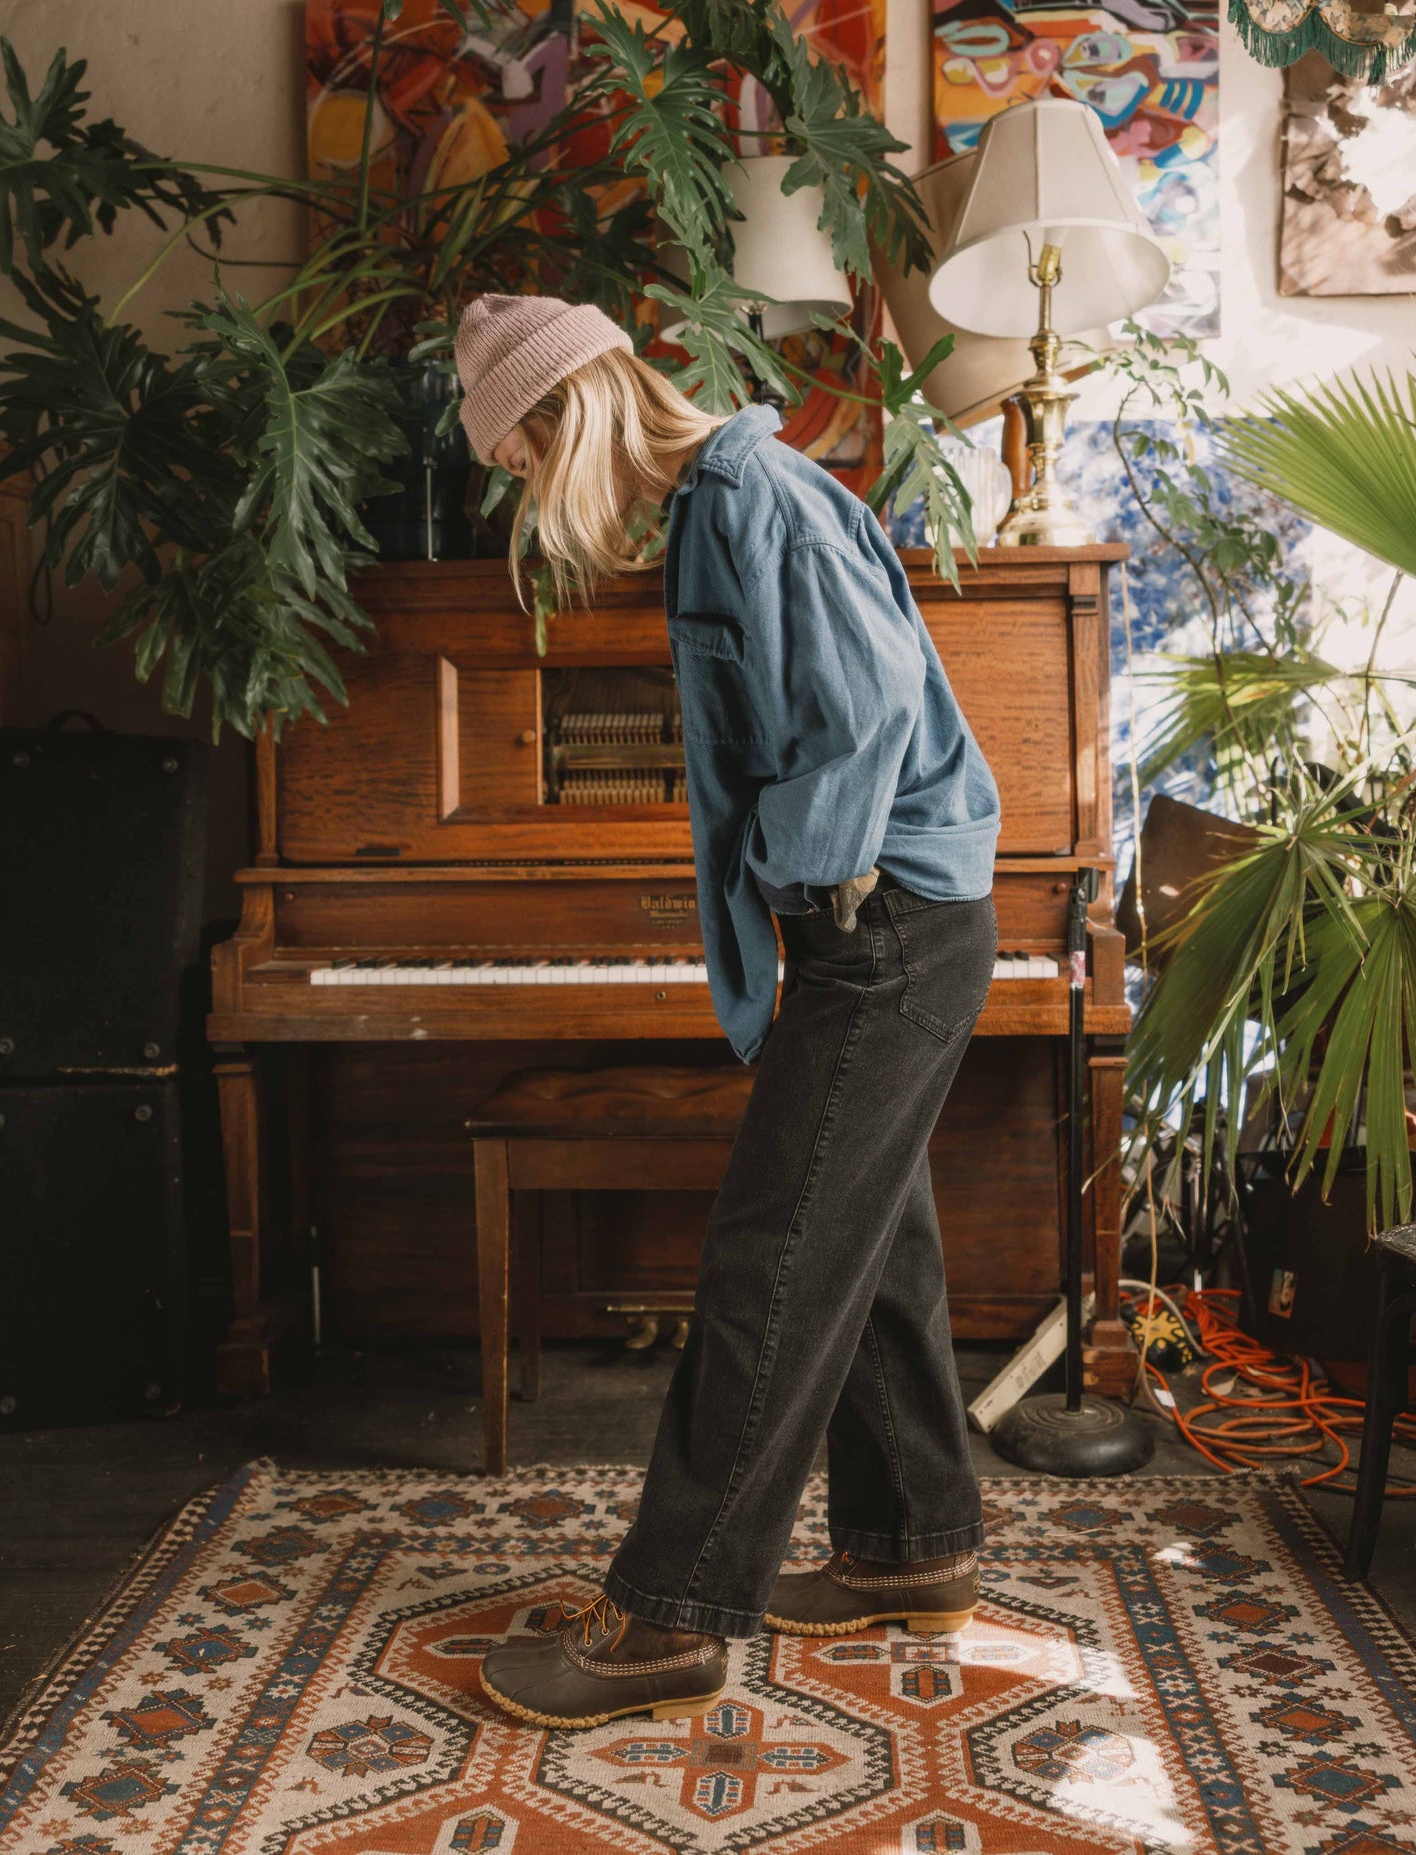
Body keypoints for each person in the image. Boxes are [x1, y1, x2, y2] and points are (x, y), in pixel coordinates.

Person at [452, 293, 1002, 1730]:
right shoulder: (711, 503)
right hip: (870, 923)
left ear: (570, 416)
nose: (525, 491)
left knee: (773, 1257)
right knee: (863, 1242)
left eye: (518, 459)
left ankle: (670, 1620)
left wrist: (791, 876)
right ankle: (914, 1547)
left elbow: (868, 715)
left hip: (884, 920)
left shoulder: (753, 493)